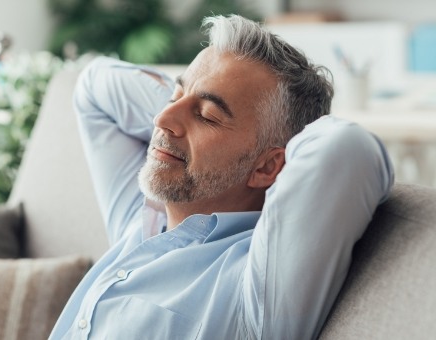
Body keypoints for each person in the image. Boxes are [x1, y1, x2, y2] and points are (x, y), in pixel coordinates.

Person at [48, 15, 394, 340]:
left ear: (267, 168)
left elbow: (346, 147)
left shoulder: (255, 291)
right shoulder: (140, 222)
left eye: (208, 116)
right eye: (173, 96)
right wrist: (193, 101)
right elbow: (94, 85)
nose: (160, 119)